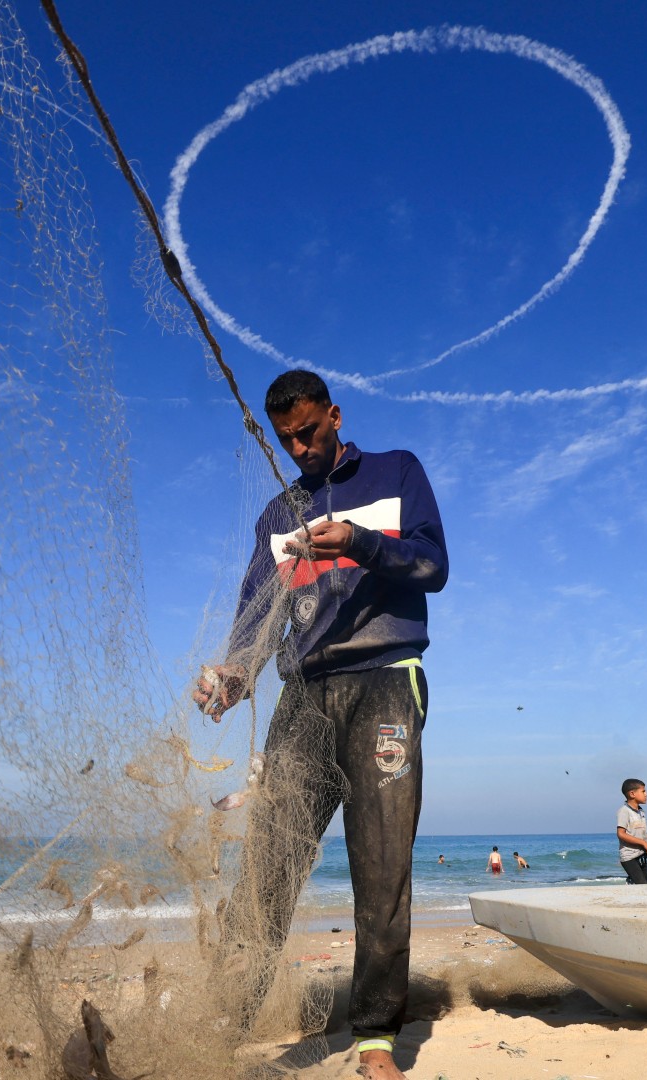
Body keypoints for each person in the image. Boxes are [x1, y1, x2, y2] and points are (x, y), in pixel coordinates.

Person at [193, 369, 448, 1080]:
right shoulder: (277, 516)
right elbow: (253, 614)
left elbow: (434, 565)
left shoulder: (397, 473)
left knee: (381, 865)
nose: (300, 446)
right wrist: (234, 675)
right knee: (268, 868)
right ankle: (224, 1020)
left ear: (335, 415)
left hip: (385, 684)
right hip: (301, 697)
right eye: (287, 439)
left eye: (309, 431)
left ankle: (374, 1039)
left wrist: (358, 543)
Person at [616, 778, 647, 884]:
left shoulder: (641, 812)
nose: (646, 794)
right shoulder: (624, 811)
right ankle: (631, 881)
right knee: (642, 884)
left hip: (641, 855)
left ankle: (631, 881)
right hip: (629, 857)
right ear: (632, 794)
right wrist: (643, 843)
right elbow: (621, 834)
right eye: (643, 791)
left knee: (646, 885)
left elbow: (641, 833)